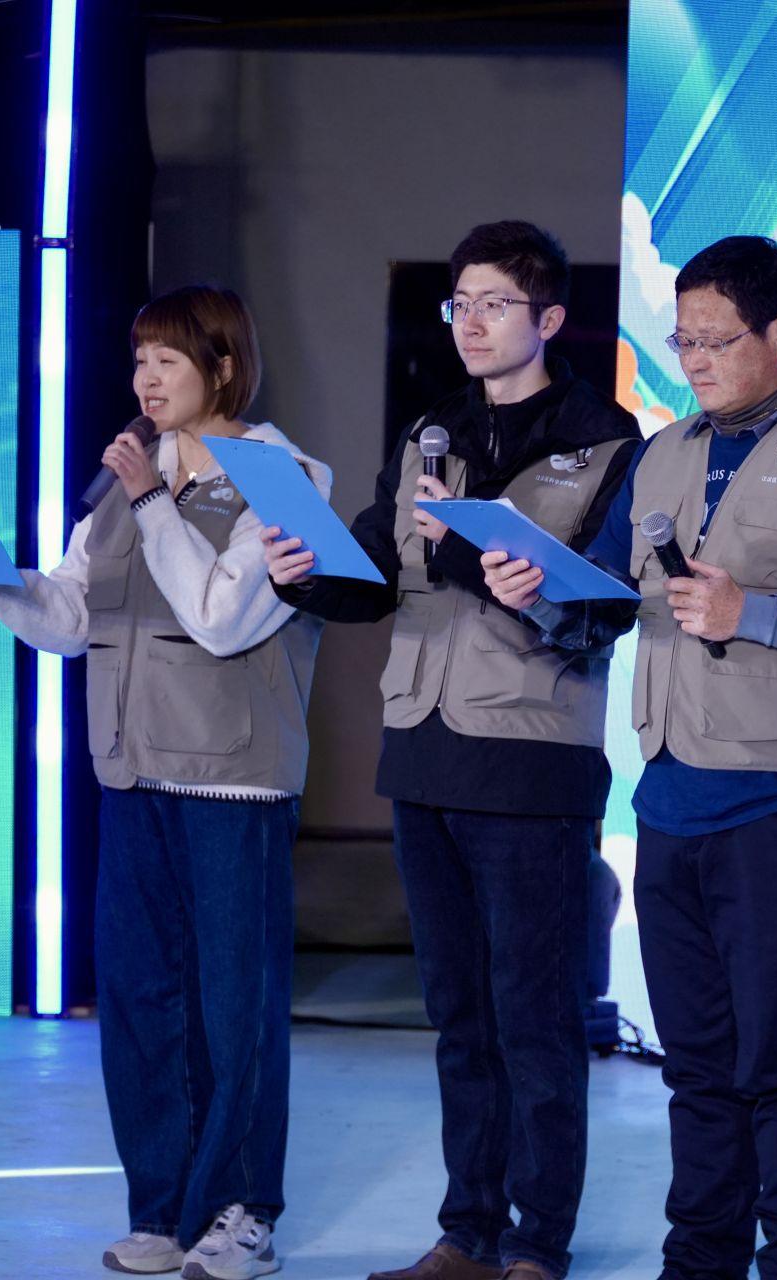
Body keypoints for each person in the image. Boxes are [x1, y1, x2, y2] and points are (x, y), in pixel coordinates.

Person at [484, 234, 777, 1280]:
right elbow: (604, 602)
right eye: (682, 340)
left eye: (716, 340)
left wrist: (751, 611)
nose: (693, 360)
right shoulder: (663, 452)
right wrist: (536, 592)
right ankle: (701, 1259)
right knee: (696, 1064)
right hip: (670, 798)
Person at [264, 221, 638, 1280]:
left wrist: (480, 554)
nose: (471, 322)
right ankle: (467, 1228)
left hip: (531, 756)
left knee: (536, 1016)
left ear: (548, 318)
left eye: (494, 304)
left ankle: (536, 1240)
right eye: (458, 303)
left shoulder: (609, 441)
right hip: (423, 748)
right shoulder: (432, 430)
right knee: (459, 1014)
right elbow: (380, 574)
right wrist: (306, 570)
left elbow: (610, 609)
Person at [0, 285, 328, 1280]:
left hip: (234, 782)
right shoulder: (127, 478)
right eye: (139, 359)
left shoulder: (286, 477)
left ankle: (243, 1211)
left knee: (234, 1004)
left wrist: (154, 502)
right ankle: (161, 1207)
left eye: (168, 360)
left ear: (224, 368)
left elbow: (224, 619)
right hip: (131, 771)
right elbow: (73, 617)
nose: (145, 379)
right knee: (144, 999)